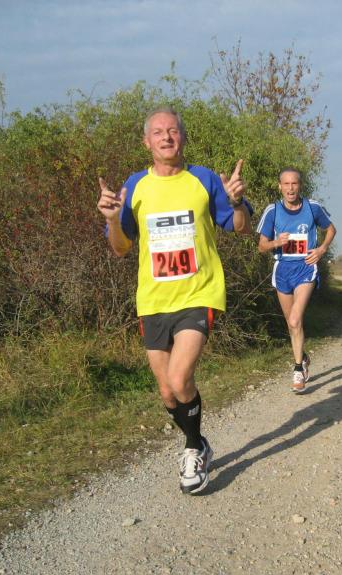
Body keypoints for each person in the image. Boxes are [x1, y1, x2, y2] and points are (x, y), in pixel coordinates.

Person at [97, 107, 252, 494]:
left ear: (183, 137)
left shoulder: (203, 179)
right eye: (158, 132)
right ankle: (200, 442)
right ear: (146, 142)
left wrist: (236, 203)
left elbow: (238, 227)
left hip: (199, 293)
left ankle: (192, 450)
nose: (166, 137)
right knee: (167, 391)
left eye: (173, 131)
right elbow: (120, 248)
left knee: (181, 378)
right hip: (154, 301)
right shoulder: (134, 186)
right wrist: (113, 220)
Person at [256, 168, 336, 392]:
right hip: (282, 269)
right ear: (279, 186)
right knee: (292, 324)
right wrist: (275, 243)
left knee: (294, 320)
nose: (290, 188)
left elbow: (331, 229)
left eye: (294, 184)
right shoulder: (272, 211)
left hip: (305, 267)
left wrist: (321, 249)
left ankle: (298, 369)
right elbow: (261, 246)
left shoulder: (312, 207)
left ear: (300, 186)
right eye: (286, 184)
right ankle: (303, 356)